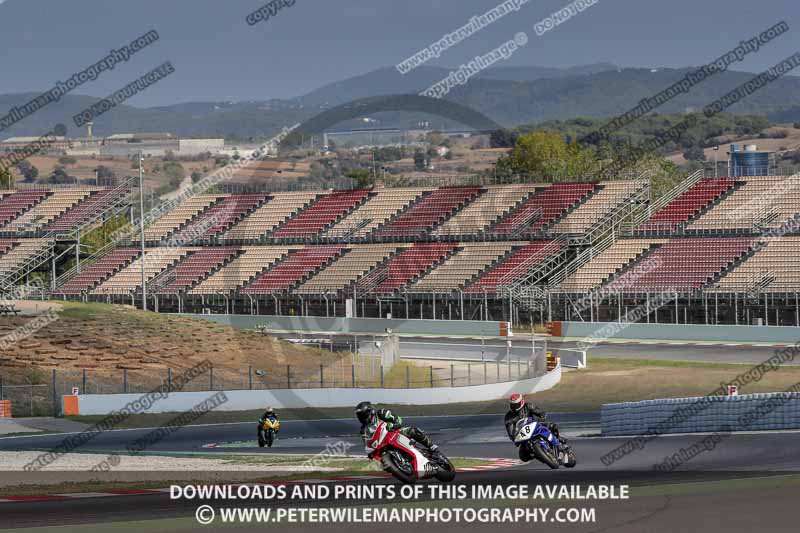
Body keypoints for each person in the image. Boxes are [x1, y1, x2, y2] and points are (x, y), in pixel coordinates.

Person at [355, 401, 437, 452]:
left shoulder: (381, 413)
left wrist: (394, 425)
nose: (361, 417)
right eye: (359, 416)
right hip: (383, 444)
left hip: (395, 433)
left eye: (363, 415)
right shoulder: (363, 429)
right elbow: (367, 444)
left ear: (370, 411)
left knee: (413, 431)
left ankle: (431, 446)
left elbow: (398, 419)